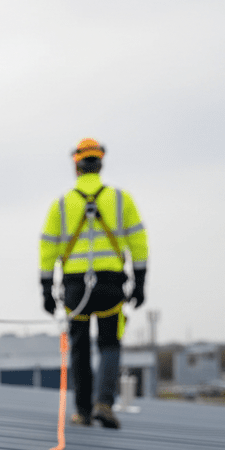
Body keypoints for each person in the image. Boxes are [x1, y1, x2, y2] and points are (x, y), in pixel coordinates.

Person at [39, 139, 148, 428]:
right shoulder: (121, 199)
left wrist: (46, 290)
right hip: (111, 284)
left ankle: (83, 412)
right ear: (100, 164)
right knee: (110, 344)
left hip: (75, 288)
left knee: (79, 348)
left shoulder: (61, 205)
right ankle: (104, 404)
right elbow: (138, 242)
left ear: (76, 166)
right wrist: (140, 282)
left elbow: (48, 248)